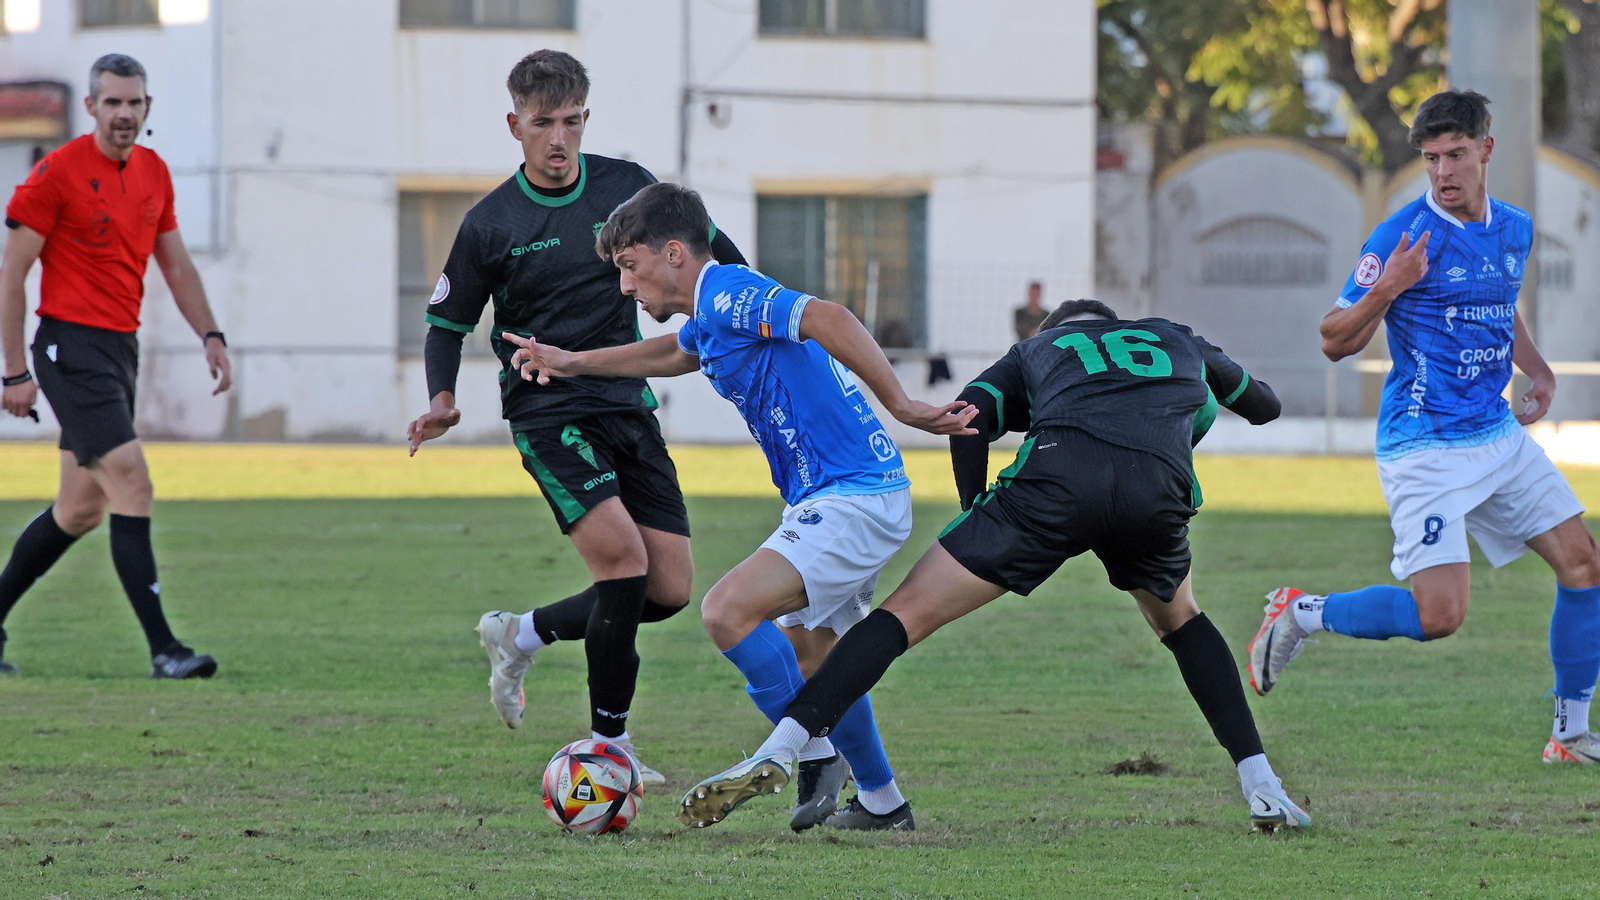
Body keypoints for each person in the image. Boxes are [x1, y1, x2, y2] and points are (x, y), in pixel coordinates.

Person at [680, 298, 1313, 833]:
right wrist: (1183, 414)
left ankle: (786, 747)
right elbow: (1265, 406)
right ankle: (1262, 785)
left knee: (902, 618)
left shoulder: (1036, 350)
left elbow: (968, 418)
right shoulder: (1176, 337)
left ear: (1054, 332)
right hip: (1157, 487)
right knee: (1183, 623)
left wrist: (975, 512)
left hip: (1053, 485)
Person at [503, 182, 979, 831]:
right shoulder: (710, 314)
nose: (624, 286)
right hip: (841, 492)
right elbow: (677, 351)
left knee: (727, 610)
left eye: (630, 266)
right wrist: (572, 362)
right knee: (813, 652)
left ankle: (806, 753)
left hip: (854, 494)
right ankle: (882, 803)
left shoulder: (727, 290)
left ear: (674, 253)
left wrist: (903, 405)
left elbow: (828, 317)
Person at [405, 51, 751, 783]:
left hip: (625, 399)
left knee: (668, 589)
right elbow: (445, 324)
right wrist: (442, 399)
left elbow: (718, 258)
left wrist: (757, 312)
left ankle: (522, 634)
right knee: (623, 562)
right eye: (542, 124)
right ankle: (609, 748)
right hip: (546, 409)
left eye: (570, 122)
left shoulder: (630, 189)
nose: (558, 139)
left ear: (586, 118)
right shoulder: (491, 222)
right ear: (515, 126)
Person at [1247, 90, 1600, 765]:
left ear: (1486, 149)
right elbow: (1333, 339)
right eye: (1432, 158)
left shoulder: (1514, 228)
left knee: (1584, 562)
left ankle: (1570, 734)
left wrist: (1537, 370)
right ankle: (1300, 612)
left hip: (1495, 434)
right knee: (1439, 617)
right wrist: (1390, 286)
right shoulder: (1402, 237)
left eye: (1455, 154)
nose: (1443, 171)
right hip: (1425, 445)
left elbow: (1498, 302)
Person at [0, 55, 230, 679]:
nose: (124, 113)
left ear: (146, 107)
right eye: (113, 103)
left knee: (79, 510)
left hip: (118, 351)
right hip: (68, 348)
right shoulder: (57, 173)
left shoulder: (154, 172)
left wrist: (210, 334)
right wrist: (14, 372)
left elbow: (175, 265)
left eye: (134, 102)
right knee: (133, 482)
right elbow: (12, 272)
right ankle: (165, 651)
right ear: (91, 108)